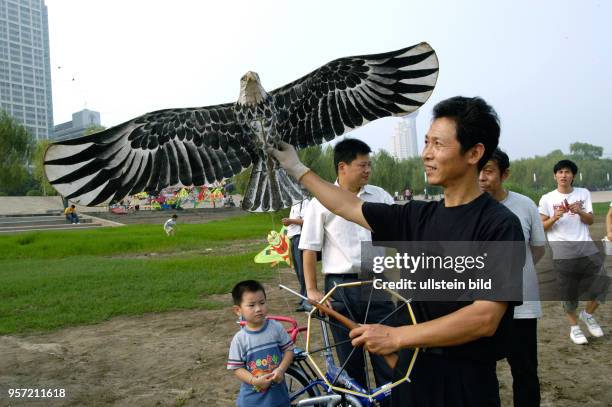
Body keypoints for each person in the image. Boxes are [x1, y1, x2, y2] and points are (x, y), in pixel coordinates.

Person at [270, 96, 525, 407]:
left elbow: (484, 317)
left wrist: (396, 337)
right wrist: (297, 168)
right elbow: (346, 204)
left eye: (438, 145)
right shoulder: (418, 216)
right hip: (412, 374)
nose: (426, 154)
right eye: (426, 142)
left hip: (465, 384)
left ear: (474, 153)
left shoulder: (499, 225)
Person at [298, 138, 395, 391]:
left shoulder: (380, 196)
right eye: (362, 165)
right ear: (343, 167)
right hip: (341, 287)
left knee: (386, 349)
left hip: (376, 282)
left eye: (369, 165)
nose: (368, 170)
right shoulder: (320, 201)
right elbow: (309, 248)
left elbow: (398, 234)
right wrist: (312, 290)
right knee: (350, 357)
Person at [479, 148, 545, 407]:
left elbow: (537, 249)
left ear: (504, 174)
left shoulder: (525, 205)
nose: (482, 178)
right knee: (482, 370)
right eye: (479, 171)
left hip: (523, 307)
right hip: (481, 308)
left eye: (489, 171)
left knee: (525, 371)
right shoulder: (469, 207)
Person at [539, 159, 606, 344]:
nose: (563, 175)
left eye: (567, 172)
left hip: (586, 248)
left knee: (602, 284)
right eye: (560, 172)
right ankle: (574, 327)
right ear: (555, 176)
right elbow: (541, 226)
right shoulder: (547, 198)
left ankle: (588, 314)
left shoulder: (583, 193)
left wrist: (580, 212)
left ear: (573, 176)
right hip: (563, 252)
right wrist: (555, 217)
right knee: (569, 293)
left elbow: (590, 221)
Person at [227, 280, 294, 407]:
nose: (258, 309)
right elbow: (236, 368)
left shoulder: (276, 328)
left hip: (280, 398)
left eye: (262, 303)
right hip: (252, 402)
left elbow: (289, 350)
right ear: (238, 310)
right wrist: (254, 381)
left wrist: (281, 369)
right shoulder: (240, 339)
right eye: (251, 305)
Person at [282, 196, 310, 312]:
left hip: (301, 238)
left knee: (304, 272)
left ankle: (307, 299)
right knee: (298, 270)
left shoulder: (306, 202)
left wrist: (291, 221)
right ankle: (303, 296)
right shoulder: (294, 203)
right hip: (293, 238)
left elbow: (307, 221)